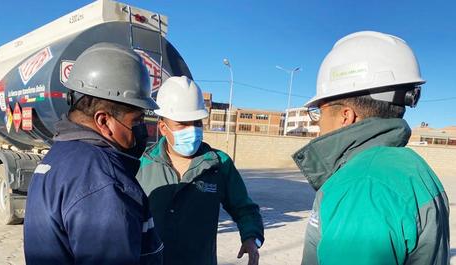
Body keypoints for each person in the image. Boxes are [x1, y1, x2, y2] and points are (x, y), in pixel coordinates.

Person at [294, 31, 449, 265]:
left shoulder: (362, 185)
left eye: (319, 111)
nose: (318, 123)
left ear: (346, 116)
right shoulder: (411, 166)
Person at [24, 43, 163, 265]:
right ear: (103, 120)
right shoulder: (106, 183)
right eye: (136, 120)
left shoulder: (58, 156)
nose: (142, 129)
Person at [136, 76, 264, 265]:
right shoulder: (143, 164)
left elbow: (244, 208)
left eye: (197, 123)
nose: (192, 130)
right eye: (182, 124)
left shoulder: (219, 164)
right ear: (163, 128)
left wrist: (251, 237)